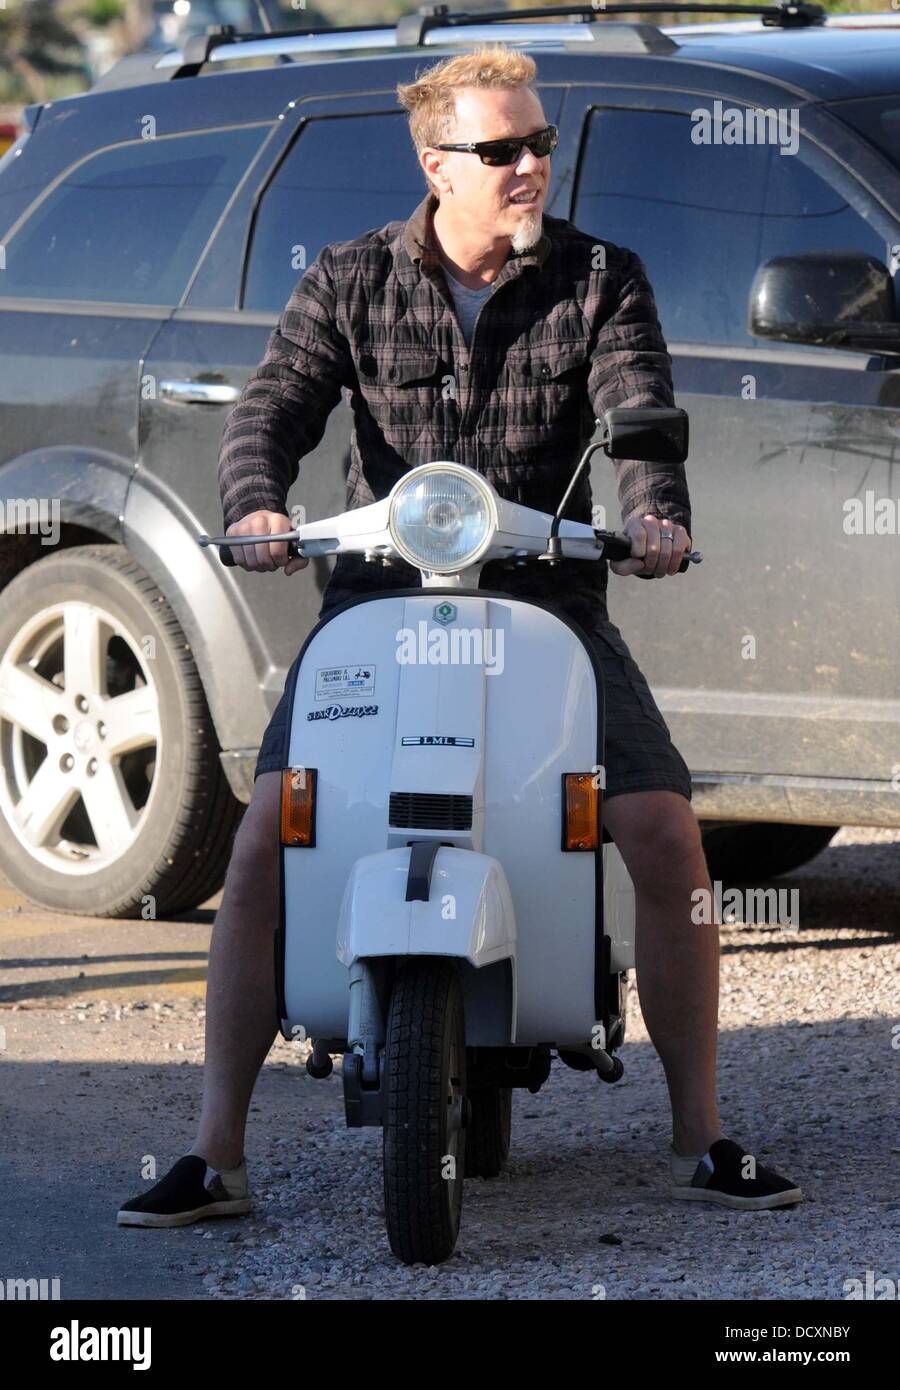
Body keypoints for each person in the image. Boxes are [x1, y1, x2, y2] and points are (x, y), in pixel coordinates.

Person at [117, 44, 801, 1229]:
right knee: (258, 851)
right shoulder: (349, 277)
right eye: (503, 150)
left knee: (666, 837)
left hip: (550, 602)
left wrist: (652, 520)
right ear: (435, 163)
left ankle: (704, 1135)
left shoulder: (601, 277)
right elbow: (271, 405)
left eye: (539, 144)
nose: (532, 164)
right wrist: (258, 508)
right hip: (375, 605)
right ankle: (214, 1153)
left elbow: (639, 420)